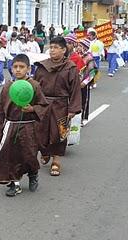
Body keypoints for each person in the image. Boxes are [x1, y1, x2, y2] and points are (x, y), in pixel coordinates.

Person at [0, 54, 48, 196]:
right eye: (15, 67)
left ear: (28, 68)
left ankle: (33, 174)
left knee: (29, 154)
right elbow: (0, 107)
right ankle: (14, 184)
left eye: (21, 67)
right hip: (10, 126)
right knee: (9, 155)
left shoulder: (34, 85)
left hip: (28, 126)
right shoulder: (8, 86)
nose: (18, 70)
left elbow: (43, 105)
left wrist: (33, 109)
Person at [34, 36, 82, 176]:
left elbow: (75, 89)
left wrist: (72, 109)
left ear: (63, 50)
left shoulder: (70, 68)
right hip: (43, 104)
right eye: (51, 47)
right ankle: (45, 152)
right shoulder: (42, 66)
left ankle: (56, 160)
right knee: (40, 131)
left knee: (58, 133)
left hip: (61, 105)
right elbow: (35, 86)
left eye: (55, 47)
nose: (52, 50)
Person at [77, 39, 97, 125]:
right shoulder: (75, 56)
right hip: (74, 82)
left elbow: (93, 72)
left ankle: (82, 118)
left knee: (84, 100)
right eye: (78, 45)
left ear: (85, 48)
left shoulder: (89, 58)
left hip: (83, 83)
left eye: (81, 46)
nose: (78, 48)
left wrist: (85, 82)